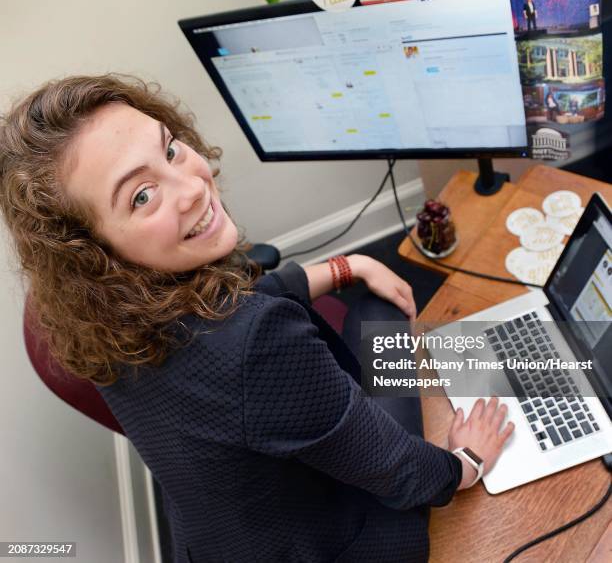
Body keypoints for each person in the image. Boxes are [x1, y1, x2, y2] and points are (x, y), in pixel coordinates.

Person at [0, 74, 514, 562]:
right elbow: (404, 475)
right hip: (339, 548)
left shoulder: (98, 315)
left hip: (228, 540)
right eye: (141, 195)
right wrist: (464, 462)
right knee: (380, 316)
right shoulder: (255, 344)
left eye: (170, 148)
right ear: (95, 253)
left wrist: (345, 266)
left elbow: (236, 307)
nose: (192, 187)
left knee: (365, 299)